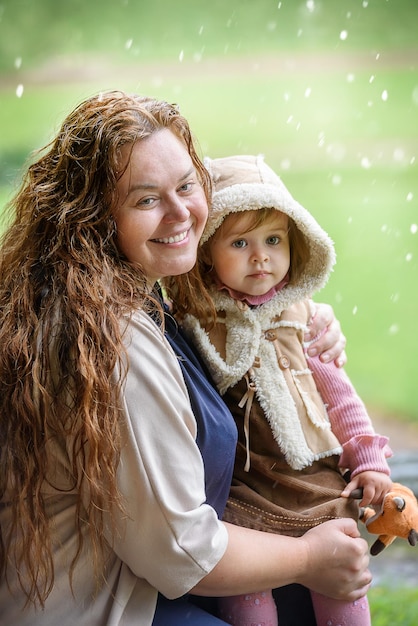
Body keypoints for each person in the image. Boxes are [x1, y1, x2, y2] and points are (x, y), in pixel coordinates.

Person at [0, 91, 371, 626]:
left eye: (187, 186)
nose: (181, 214)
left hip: (143, 584)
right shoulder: (113, 342)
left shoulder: (121, 293)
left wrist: (301, 323)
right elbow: (182, 549)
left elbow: (232, 317)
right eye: (146, 199)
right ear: (95, 219)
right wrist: (311, 559)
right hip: (110, 609)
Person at [166, 154, 393, 626]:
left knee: (343, 590)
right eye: (240, 243)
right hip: (248, 490)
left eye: (274, 240)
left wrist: (370, 461)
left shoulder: (305, 317)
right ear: (207, 251)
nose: (260, 257)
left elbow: (340, 396)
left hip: (315, 484)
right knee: (250, 600)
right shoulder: (197, 322)